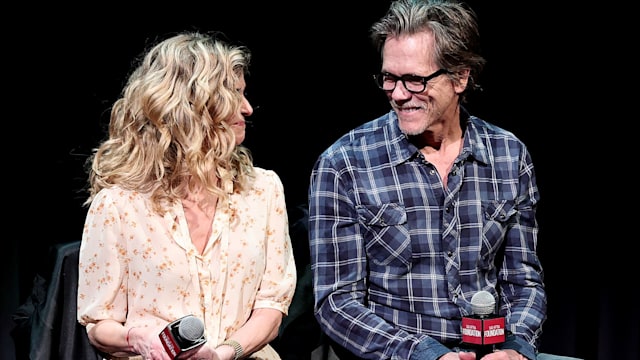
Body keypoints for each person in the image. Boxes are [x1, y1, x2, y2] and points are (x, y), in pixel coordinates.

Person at [308, 1, 547, 360]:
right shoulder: (344, 164)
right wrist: (426, 354)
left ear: (460, 77)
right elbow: (337, 304)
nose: (399, 94)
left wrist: (516, 348)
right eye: (389, 78)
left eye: (415, 80)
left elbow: (523, 281)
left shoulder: (508, 155)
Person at [77, 31, 297, 360]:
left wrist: (224, 353)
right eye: (234, 95)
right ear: (193, 105)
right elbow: (100, 323)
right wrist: (139, 339)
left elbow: (271, 308)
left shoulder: (262, 191)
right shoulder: (119, 204)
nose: (248, 108)